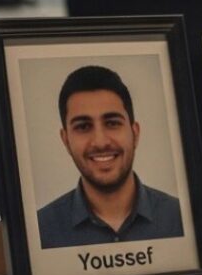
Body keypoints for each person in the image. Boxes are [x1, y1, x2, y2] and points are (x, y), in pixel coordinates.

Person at [37, 65, 184, 249]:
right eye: (83, 127)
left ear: (135, 133)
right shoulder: (39, 232)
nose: (100, 142)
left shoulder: (182, 220)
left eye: (112, 123)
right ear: (66, 140)